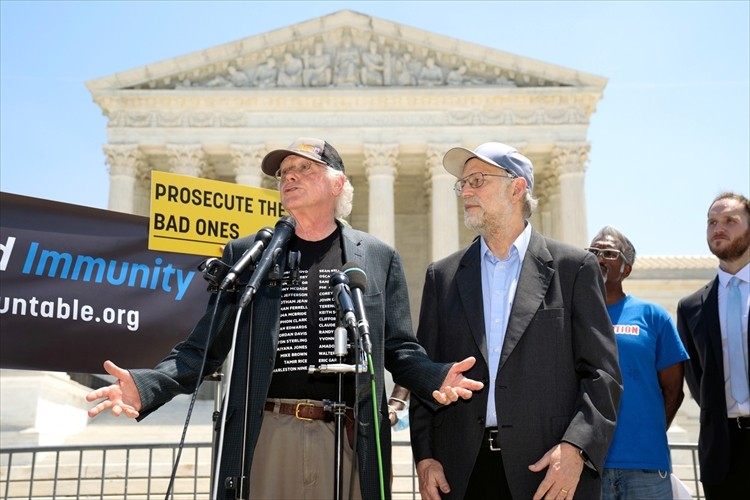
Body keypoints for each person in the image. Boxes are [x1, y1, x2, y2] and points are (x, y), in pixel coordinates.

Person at [86, 137, 483, 500]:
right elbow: (203, 347)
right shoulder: (249, 254)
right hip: (267, 433)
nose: (289, 178)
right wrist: (147, 386)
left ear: (337, 183)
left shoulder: (377, 256)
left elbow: (396, 347)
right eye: (283, 174)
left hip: (348, 438)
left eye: (304, 169)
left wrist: (433, 377)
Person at [409, 141, 623, 500]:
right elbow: (424, 374)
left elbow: (602, 375)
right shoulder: (442, 276)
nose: (466, 191)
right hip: (462, 473)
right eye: (463, 183)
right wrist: (426, 456)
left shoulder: (574, 268)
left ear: (517, 187)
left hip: (548, 470)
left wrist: (576, 448)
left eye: (478, 180)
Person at [587, 226, 689, 499]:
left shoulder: (653, 316)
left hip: (646, 466)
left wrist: (646, 432)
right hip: (588, 465)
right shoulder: (573, 317)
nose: (599, 258)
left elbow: (674, 391)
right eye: (593, 251)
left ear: (627, 269)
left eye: (609, 253)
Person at [677, 192, 750, 499]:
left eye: (730, 220)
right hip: (721, 452)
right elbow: (696, 379)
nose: (718, 227)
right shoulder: (691, 306)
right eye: (712, 222)